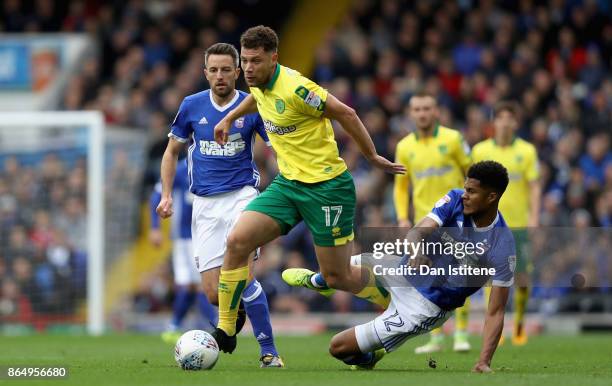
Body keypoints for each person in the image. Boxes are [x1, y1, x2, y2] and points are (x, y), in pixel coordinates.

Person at [210, 25, 405, 353]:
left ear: (274, 58)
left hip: (328, 188)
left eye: (256, 61)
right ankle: (225, 329)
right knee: (236, 240)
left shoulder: (298, 89)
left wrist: (371, 156)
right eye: (245, 61)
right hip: (288, 185)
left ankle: (392, 301)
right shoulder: (257, 82)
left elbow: (347, 112)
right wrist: (230, 117)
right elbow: (257, 101)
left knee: (338, 277)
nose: (249, 69)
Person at [156, 42, 282, 367]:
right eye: (213, 70)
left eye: (226, 69)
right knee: (214, 293)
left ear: (237, 72)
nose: (220, 75)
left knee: (242, 275)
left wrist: (287, 184)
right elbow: (171, 153)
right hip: (204, 206)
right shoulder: (191, 105)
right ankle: (235, 313)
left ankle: (269, 351)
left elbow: (277, 150)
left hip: (243, 198)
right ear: (205, 73)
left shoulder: (251, 106)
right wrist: (167, 195)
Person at [328, 161, 515, 372]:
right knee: (338, 267)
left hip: (423, 307)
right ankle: (317, 281)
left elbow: (496, 311)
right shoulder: (455, 200)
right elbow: (417, 232)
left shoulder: (502, 245)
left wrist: (484, 361)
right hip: (403, 271)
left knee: (338, 347)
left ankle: (369, 357)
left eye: (471, 191)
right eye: (465, 188)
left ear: (491, 197)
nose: (465, 195)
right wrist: (416, 252)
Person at [393, 91, 473, 353]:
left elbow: (470, 174)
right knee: (432, 276)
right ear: (410, 113)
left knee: (462, 273)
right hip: (425, 223)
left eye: (427, 108)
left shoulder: (453, 139)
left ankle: (461, 334)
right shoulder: (404, 147)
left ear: (436, 111)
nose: (422, 114)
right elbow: (401, 187)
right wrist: (403, 217)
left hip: (456, 218)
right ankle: (436, 337)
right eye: (417, 109)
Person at [472, 101, 541, 345]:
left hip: (519, 224)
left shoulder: (527, 151)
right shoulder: (480, 150)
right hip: (490, 224)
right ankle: (494, 328)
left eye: (509, 118)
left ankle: (519, 324)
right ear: (494, 121)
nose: (504, 122)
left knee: (522, 278)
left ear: (515, 123)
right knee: (491, 276)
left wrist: (534, 217)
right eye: (499, 117)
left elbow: (534, 187)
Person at [149, 159, 218, 344]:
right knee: (197, 284)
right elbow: (157, 195)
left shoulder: (213, 163)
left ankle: (175, 325)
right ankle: (218, 326)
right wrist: (155, 228)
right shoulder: (180, 169)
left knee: (190, 284)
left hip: (207, 232)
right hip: (186, 236)